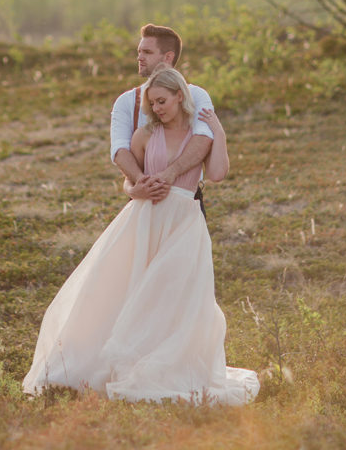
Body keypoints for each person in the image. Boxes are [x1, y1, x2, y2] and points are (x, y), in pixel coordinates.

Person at [22, 65, 259, 404]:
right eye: (152, 104)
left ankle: (167, 365)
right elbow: (128, 182)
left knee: (177, 296)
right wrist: (137, 189)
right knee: (126, 290)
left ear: (180, 96)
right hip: (144, 219)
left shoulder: (199, 136)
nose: (157, 109)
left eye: (162, 101)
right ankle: (107, 362)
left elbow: (218, 174)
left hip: (184, 223)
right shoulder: (145, 135)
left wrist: (219, 132)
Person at [110, 23, 228, 207]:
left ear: (168, 57)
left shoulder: (197, 95)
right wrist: (138, 185)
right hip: (144, 200)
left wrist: (172, 172)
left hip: (187, 202)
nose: (139, 57)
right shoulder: (126, 102)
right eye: (139, 51)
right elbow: (119, 150)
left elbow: (203, 138)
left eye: (147, 52)